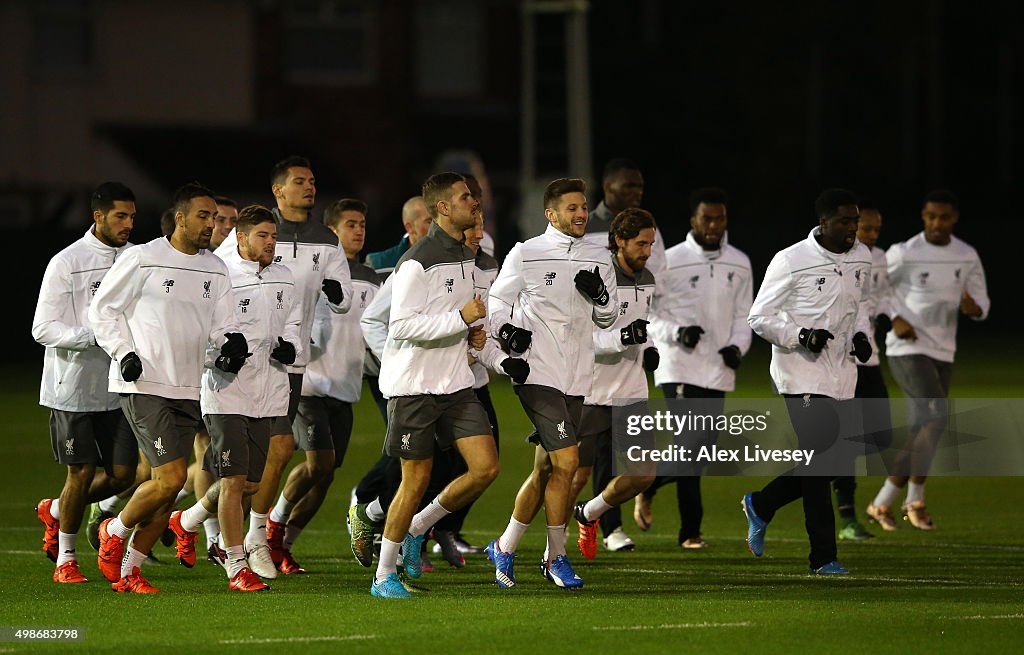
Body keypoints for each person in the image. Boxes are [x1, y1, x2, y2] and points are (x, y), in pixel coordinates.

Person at [90, 182, 247, 593]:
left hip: (187, 386)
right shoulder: (143, 258)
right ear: (179, 218)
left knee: (171, 483)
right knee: (170, 475)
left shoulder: (216, 268)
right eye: (203, 216)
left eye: (214, 218)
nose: (210, 225)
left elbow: (222, 325)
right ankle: (114, 530)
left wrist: (230, 345)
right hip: (144, 382)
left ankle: (130, 572)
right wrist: (123, 352)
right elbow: (103, 310)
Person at [216, 155, 353, 577]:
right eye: (299, 181)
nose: (309, 187)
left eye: (312, 181)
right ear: (278, 190)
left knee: (267, 456)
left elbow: (344, 299)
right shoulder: (252, 232)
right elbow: (217, 277)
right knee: (242, 461)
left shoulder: (326, 241)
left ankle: (248, 537)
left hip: (288, 364)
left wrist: (334, 290)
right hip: (236, 367)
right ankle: (236, 537)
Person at [368, 172, 500, 599]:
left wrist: (473, 333)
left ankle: (417, 529)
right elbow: (401, 326)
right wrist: (459, 320)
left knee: (485, 468)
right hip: (414, 386)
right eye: (466, 198)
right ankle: (383, 576)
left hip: (456, 382)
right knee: (415, 478)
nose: (474, 204)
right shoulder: (416, 263)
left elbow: (462, 315)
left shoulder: (468, 256)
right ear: (443, 208)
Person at [484, 177, 618, 590]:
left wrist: (602, 298)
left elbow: (608, 319)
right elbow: (496, 303)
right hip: (537, 373)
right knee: (567, 463)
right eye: (572, 208)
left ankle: (504, 546)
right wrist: (507, 336)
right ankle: (556, 557)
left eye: (583, 207)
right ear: (551, 214)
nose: (580, 214)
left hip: (578, 376)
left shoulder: (599, 254)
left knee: (545, 469)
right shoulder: (527, 253)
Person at [171, 204, 301, 591]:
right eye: (262, 236)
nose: (270, 243)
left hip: (269, 393)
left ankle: (187, 520)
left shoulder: (283, 277)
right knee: (233, 481)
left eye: (274, 236)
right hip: (227, 394)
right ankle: (235, 563)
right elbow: (200, 328)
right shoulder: (221, 275)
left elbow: (292, 322)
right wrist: (219, 355)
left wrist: (291, 347)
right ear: (241, 238)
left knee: (249, 484)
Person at [743, 188, 873, 575]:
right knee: (819, 457)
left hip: (842, 373)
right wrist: (800, 334)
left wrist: (863, 336)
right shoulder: (790, 260)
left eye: (856, 220)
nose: (853, 229)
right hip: (800, 374)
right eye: (845, 221)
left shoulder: (862, 256)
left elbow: (861, 305)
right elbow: (759, 317)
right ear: (824, 223)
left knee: (834, 460)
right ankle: (823, 557)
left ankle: (762, 505)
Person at [32, 182, 139, 583]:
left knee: (123, 475)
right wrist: (96, 336)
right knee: (80, 473)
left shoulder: (136, 259)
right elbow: (42, 328)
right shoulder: (68, 262)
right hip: (72, 388)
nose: (128, 224)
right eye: (120, 217)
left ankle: (56, 511)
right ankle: (66, 560)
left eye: (131, 216)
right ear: (98, 217)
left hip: (119, 386)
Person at [866, 189, 990, 531]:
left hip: (943, 350)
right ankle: (907, 500)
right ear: (923, 217)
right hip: (908, 348)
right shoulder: (904, 253)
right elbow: (877, 289)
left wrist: (974, 309)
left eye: (944, 217)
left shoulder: (966, 255)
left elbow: (981, 301)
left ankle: (889, 502)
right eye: (931, 216)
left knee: (929, 425)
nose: (937, 223)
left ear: (954, 219)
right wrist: (894, 319)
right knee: (934, 417)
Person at [638, 187, 753, 549]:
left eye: (719, 218)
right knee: (691, 447)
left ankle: (645, 483)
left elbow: (743, 315)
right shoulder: (670, 260)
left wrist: (738, 346)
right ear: (693, 221)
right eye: (707, 218)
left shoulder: (740, 262)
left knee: (701, 452)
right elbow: (650, 313)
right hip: (679, 365)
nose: (713, 225)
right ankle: (690, 532)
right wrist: (677, 332)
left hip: (717, 367)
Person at [271, 198, 381, 568]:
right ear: (332, 233)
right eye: (351, 223)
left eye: (363, 223)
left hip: (345, 387)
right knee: (319, 463)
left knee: (326, 475)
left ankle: (284, 543)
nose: (359, 230)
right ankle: (271, 526)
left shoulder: (370, 279)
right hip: (310, 383)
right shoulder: (313, 274)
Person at [582, 158, 666, 550]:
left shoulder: (647, 279)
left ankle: (590, 514)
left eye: (650, 244)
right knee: (571, 472)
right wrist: (621, 339)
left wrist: (647, 346)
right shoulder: (597, 278)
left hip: (631, 388)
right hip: (591, 389)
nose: (649, 251)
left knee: (642, 474)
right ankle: (547, 549)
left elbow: (642, 322)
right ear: (619, 242)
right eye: (642, 244)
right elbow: (583, 335)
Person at [832, 199, 892, 540]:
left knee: (881, 435)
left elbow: (881, 295)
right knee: (844, 440)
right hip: (844, 356)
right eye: (863, 227)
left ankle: (831, 451)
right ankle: (848, 519)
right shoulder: (839, 257)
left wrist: (884, 312)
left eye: (874, 229)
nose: (868, 233)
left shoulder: (877, 257)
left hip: (870, 354)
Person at [364, 195, 432, 276]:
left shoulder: (449, 258)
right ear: (409, 227)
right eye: (429, 221)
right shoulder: (379, 264)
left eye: (438, 220)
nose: (437, 226)